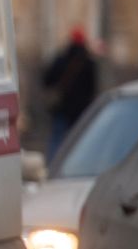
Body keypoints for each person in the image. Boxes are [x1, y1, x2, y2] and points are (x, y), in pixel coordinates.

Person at [41, 28, 98, 159]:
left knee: (57, 140)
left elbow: (46, 81)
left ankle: (53, 166)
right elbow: (92, 89)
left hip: (62, 109)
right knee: (79, 141)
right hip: (80, 111)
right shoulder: (89, 63)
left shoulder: (61, 60)